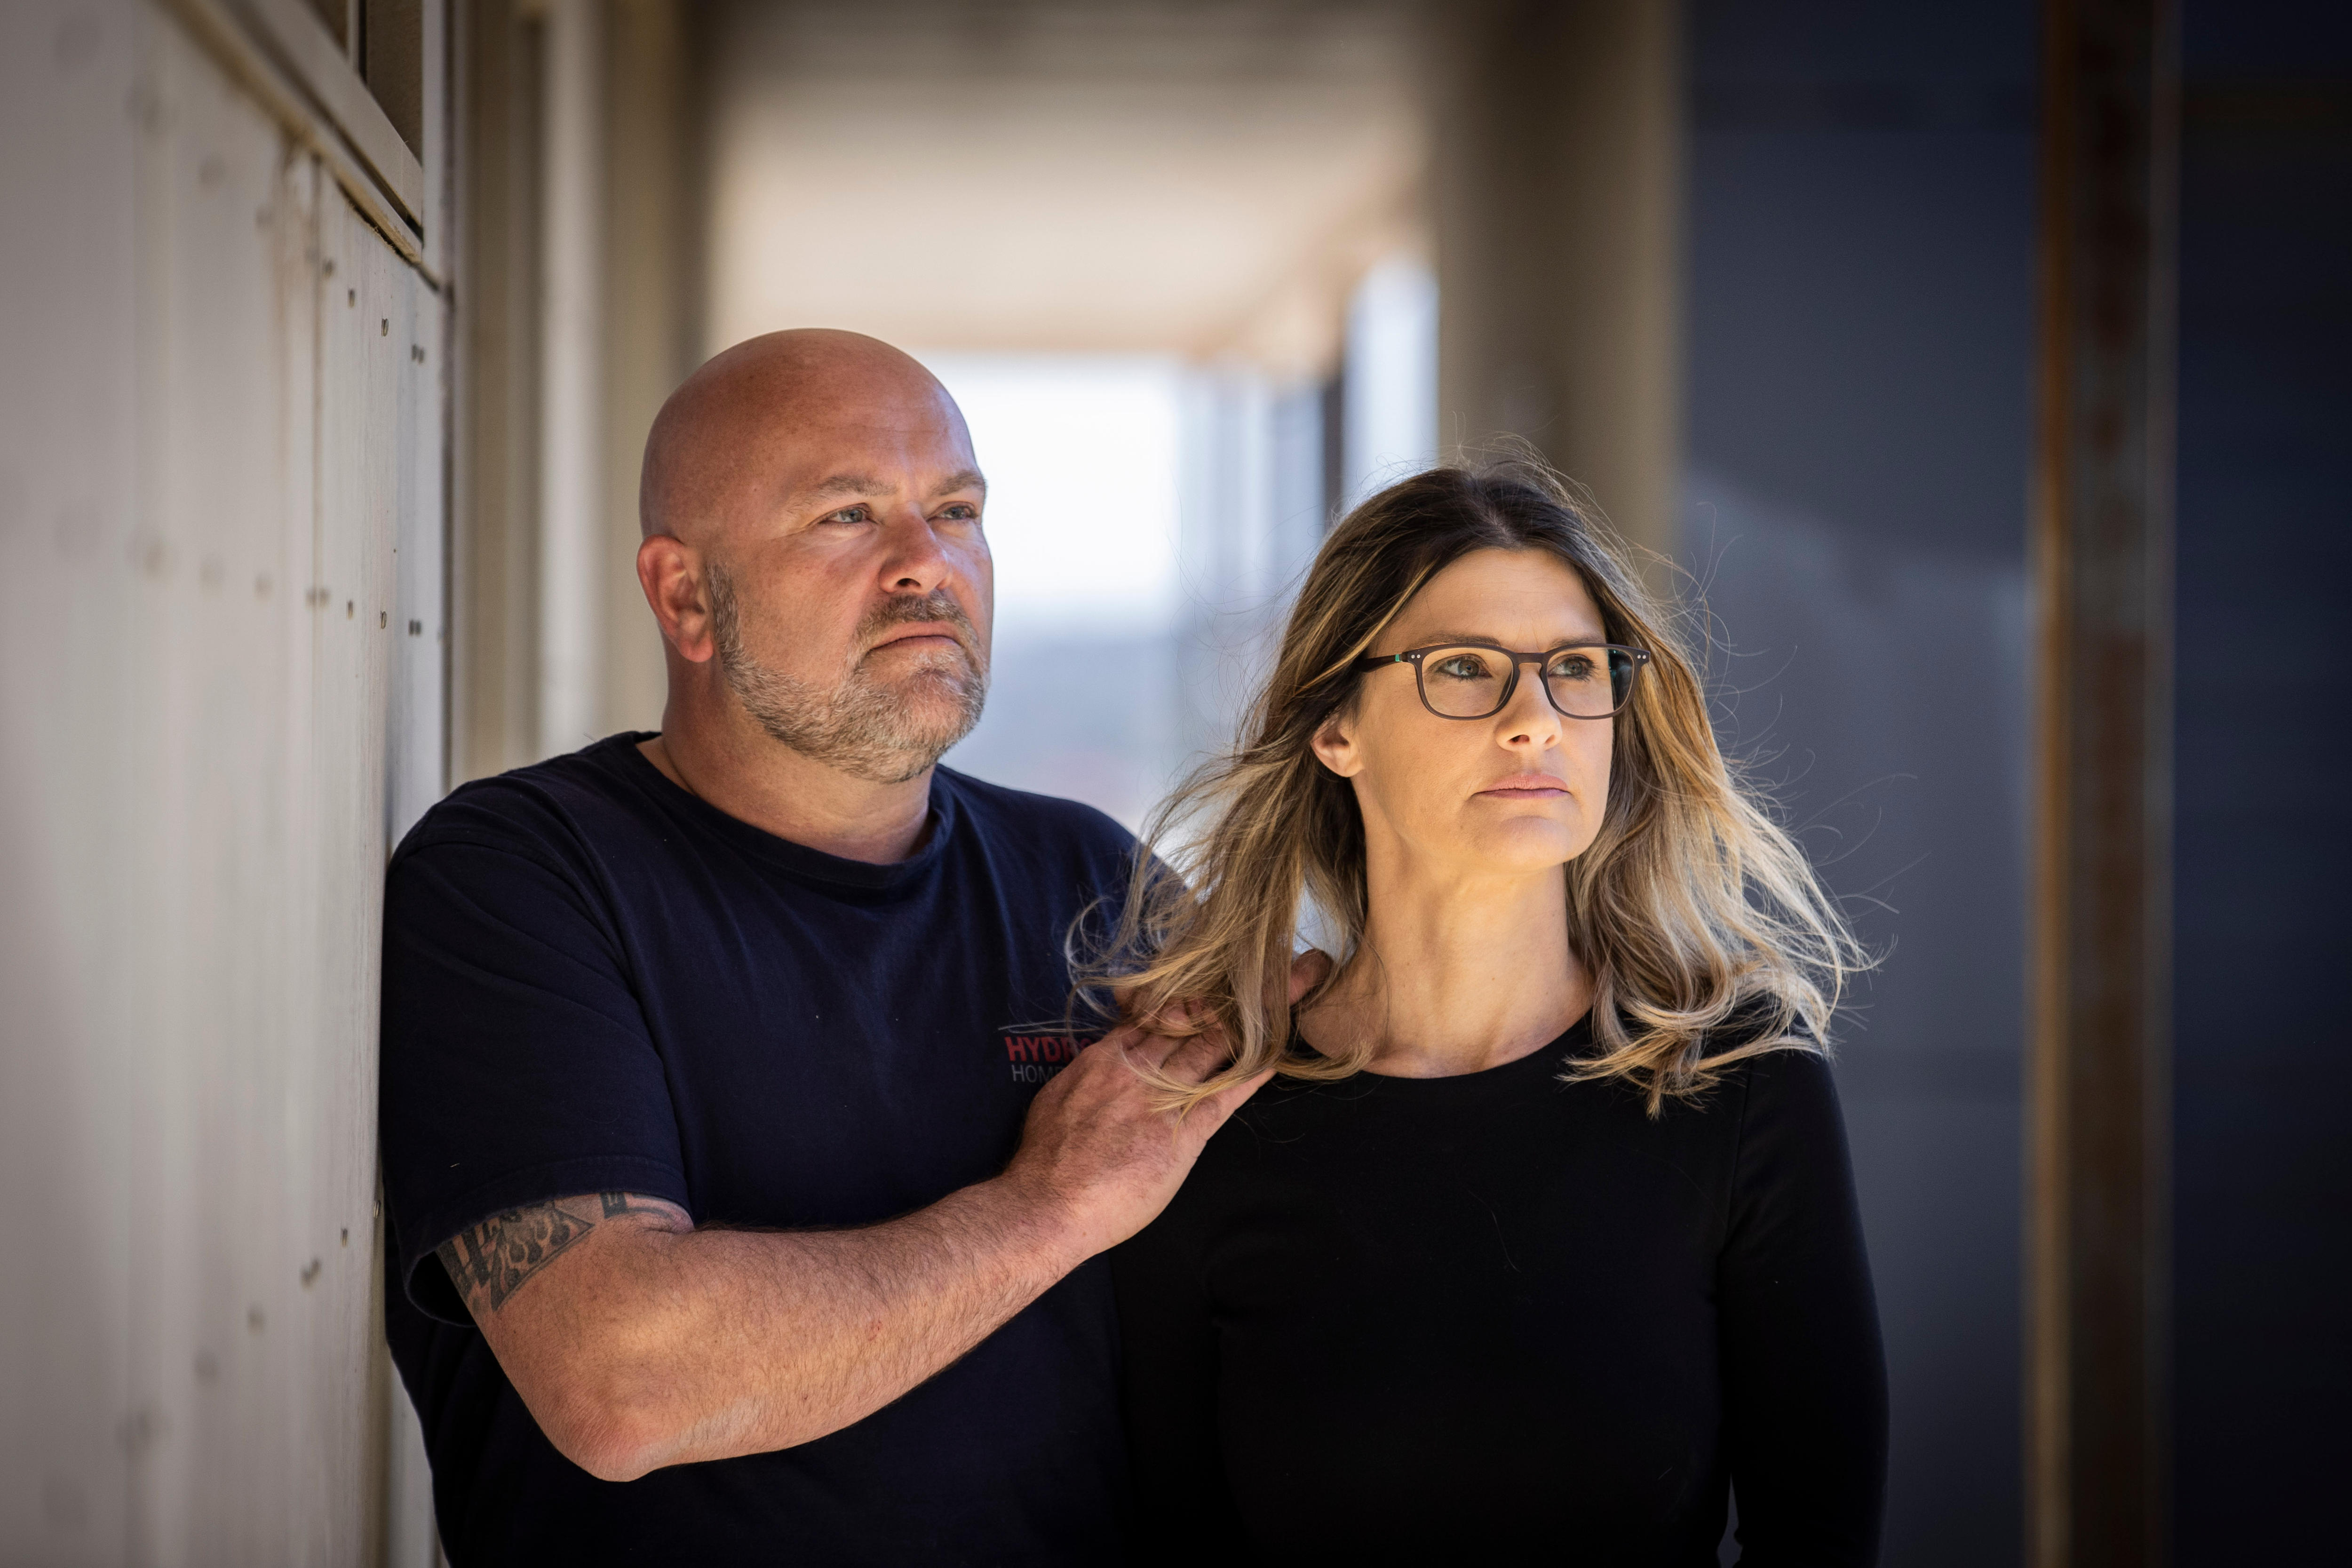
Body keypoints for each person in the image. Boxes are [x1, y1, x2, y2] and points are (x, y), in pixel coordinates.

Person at [376, 329, 1299, 1563]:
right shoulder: (520, 878)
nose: (929, 564)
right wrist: (1048, 1207)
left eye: (957, 509)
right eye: (848, 515)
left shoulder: (1090, 881)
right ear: (687, 595)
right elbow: (620, 1380)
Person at [1107, 463, 1889, 1564]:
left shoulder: (1740, 1082)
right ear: (1336, 726)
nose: (1535, 722)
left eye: (1574, 669)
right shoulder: (1206, 1113)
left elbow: (1818, 1537)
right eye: (1463, 669)